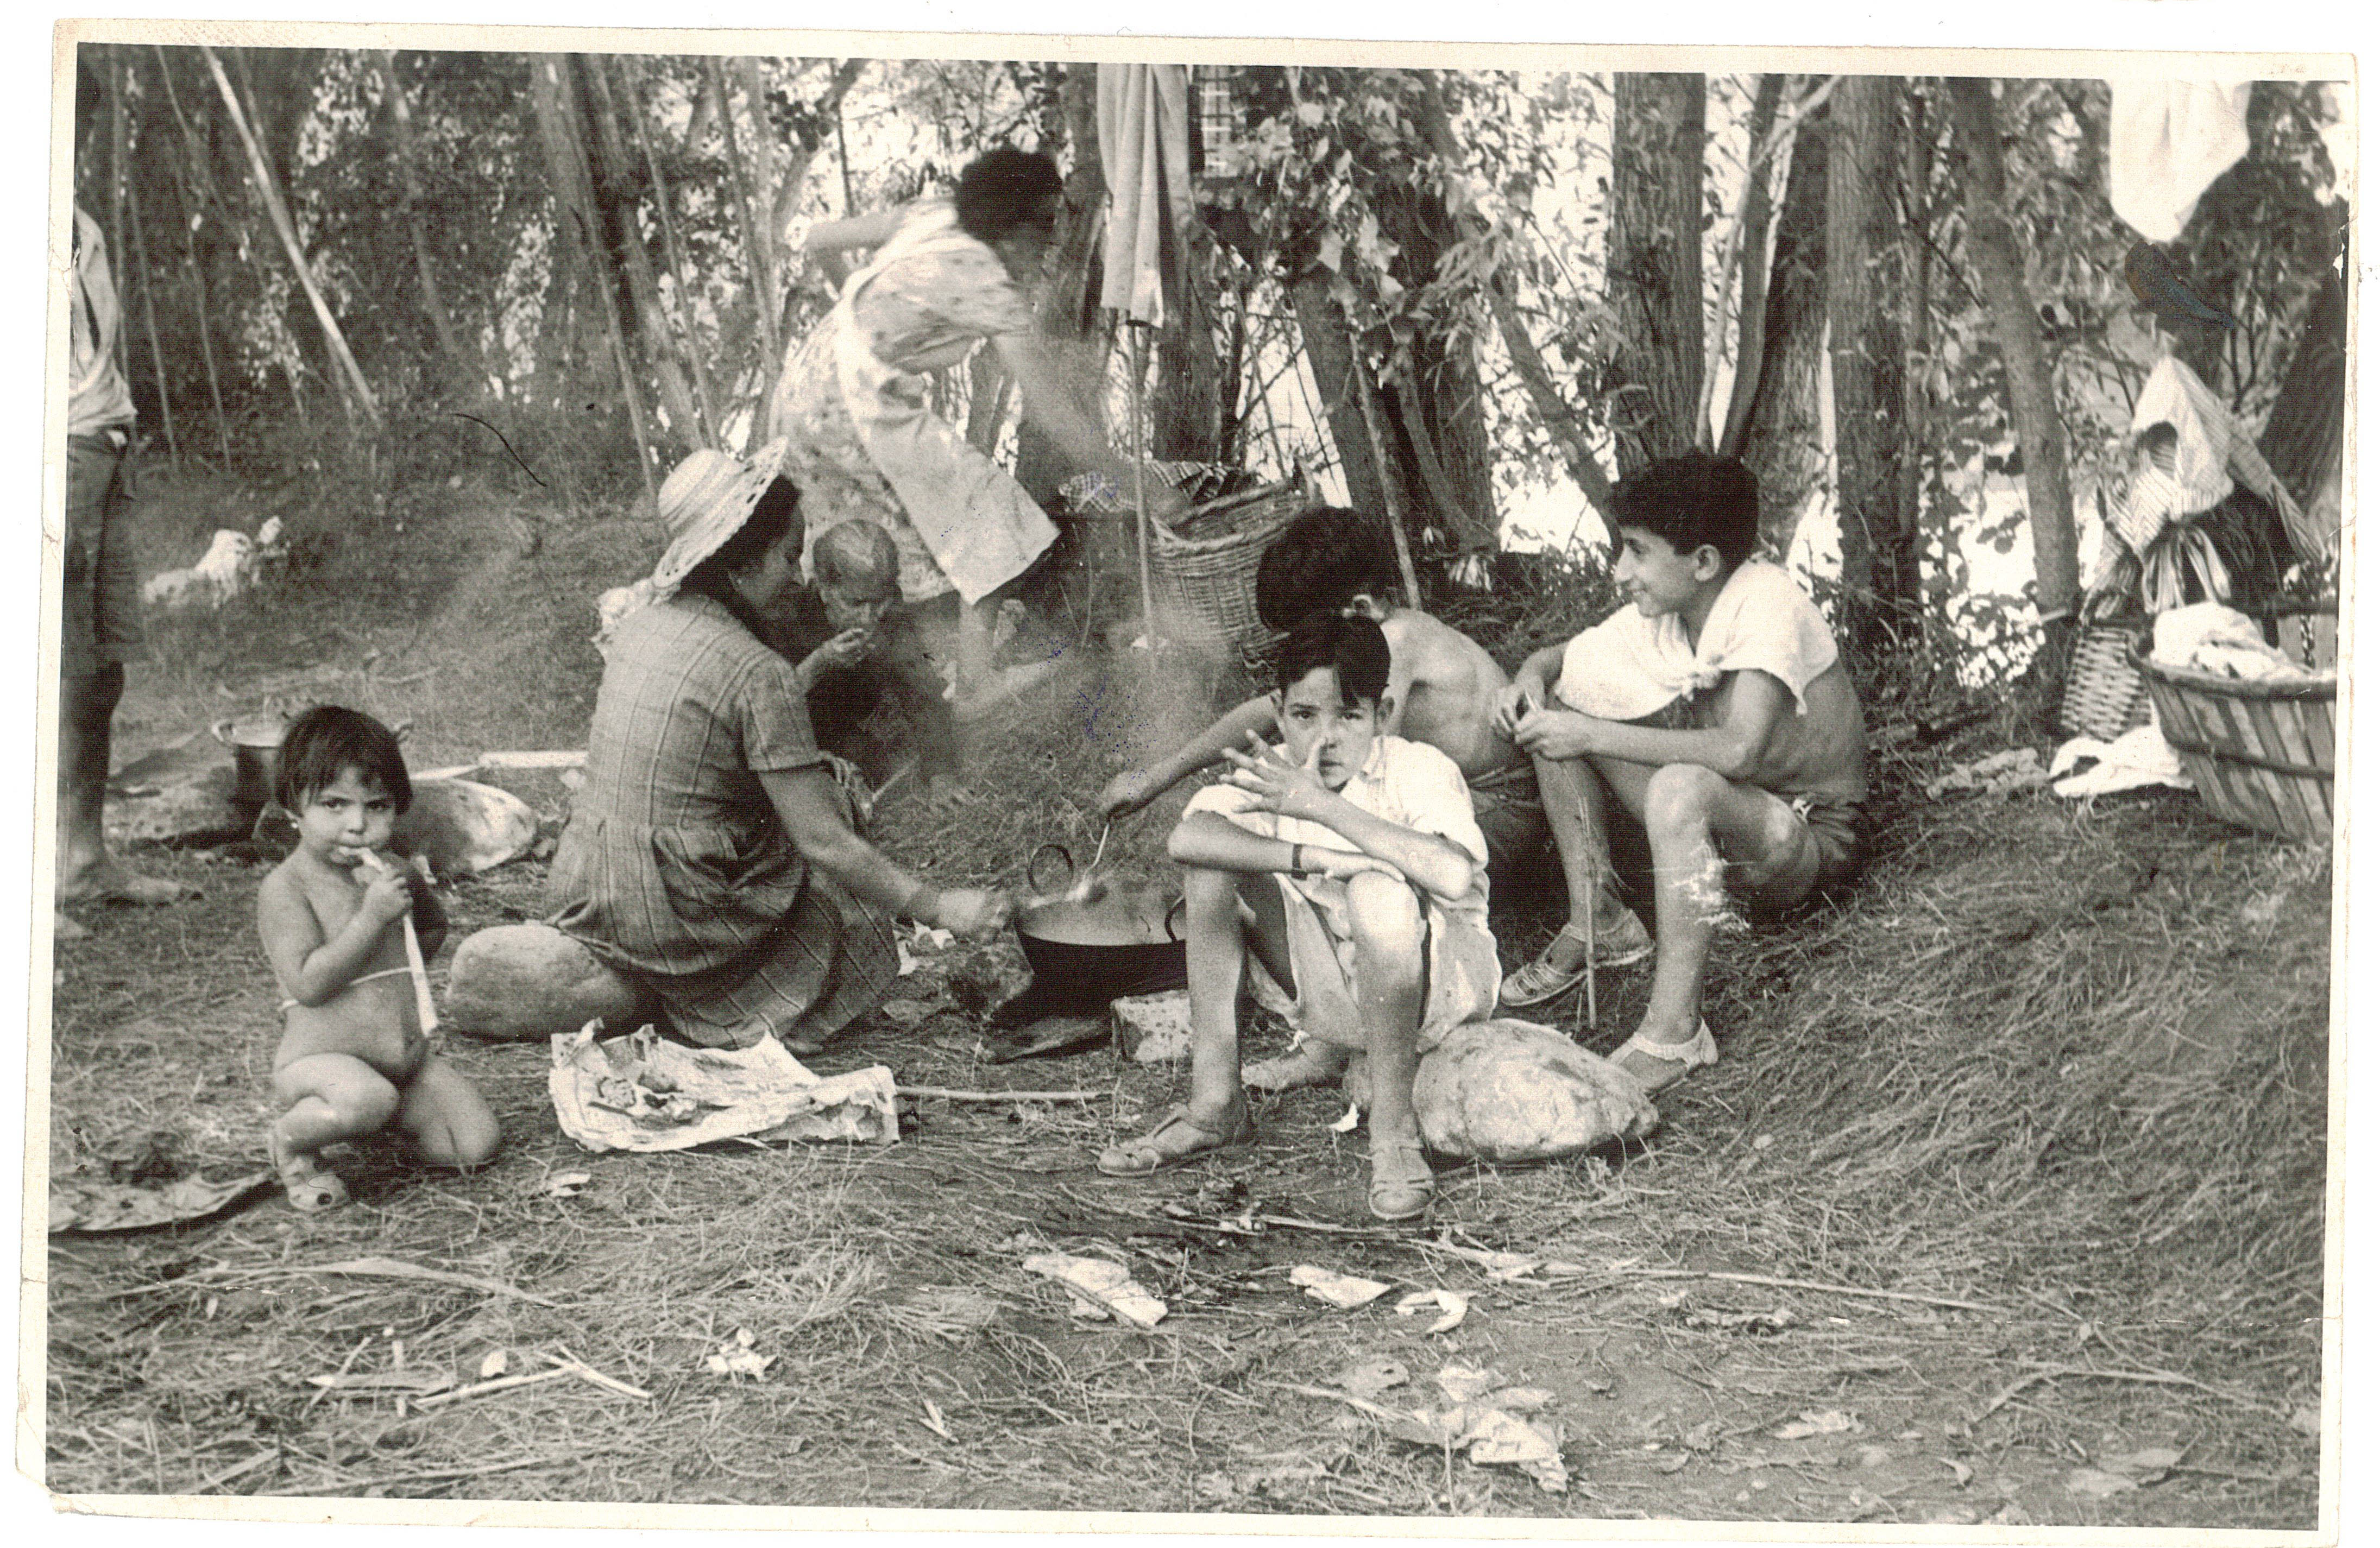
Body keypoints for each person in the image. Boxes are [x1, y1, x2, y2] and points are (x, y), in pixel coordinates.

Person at [550, 444, 1012, 1054]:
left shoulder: (641, 625)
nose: (796, 577)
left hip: (586, 887)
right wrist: (939, 906)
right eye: (788, 557)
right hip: (668, 915)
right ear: (740, 564)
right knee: (842, 892)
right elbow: (823, 842)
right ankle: (720, 1003)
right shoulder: (757, 669)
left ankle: (645, 981)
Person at [1095, 507, 1546, 1089]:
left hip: (1496, 810)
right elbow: (1270, 714)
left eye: (1309, 630)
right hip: (1432, 805)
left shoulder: (1394, 643)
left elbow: (1339, 759)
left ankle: (1351, 1034)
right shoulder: (1363, 646)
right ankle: (1337, 1027)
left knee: (1338, 830)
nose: (1303, 651)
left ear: (1356, 610)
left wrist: (1290, 812)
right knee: (1306, 835)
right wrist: (1156, 777)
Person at [1096, 614, 1501, 1222]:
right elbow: (1190, 837)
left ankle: (1393, 1134)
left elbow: (1449, 874)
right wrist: (1317, 856)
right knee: (1213, 867)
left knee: (1378, 891)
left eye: (1349, 716)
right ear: (1278, 713)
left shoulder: (1418, 769)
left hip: (1436, 994)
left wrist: (1321, 811)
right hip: (1339, 995)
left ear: (1383, 713)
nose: (1325, 740)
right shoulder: (1277, 769)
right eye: (1305, 717)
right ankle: (1215, 1106)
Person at [770, 146, 1188, 718]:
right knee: (988, 511)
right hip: (856, 402)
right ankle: (974, 686)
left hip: (808, 381)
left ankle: (920, 673)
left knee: (886, 530)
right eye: (1044, 225)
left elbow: (819, 237)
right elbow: (1049, 407)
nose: (1051, 241)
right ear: (1013, 231)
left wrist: (856, 306)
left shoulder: (931, 214)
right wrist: (1129, 478)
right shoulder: (987, 282)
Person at [1498, 453, 1869, 1092]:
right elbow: (1561, 659)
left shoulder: (1764, 601)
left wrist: (1590, 734)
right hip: (1735, 820)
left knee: (1670, 779)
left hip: (1801, 840)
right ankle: (1601, 920)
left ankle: (1675, 1035)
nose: (1621, 573)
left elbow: (1740, 753)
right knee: (1552, 715)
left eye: (1637, 553)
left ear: (1701, 562)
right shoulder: (1679, 609)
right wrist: (1528, 679)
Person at [56, 62, 198, 941]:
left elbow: (95, 356)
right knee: (43, 672)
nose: (66, 144)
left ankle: (83, 856)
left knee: (99, 672)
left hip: (106, 448)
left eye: (75, 129)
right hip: (53, 457)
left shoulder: (76, 227)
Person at [259, 707, 499, 1212]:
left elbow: (431, 927)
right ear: (293, 808)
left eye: (378, 806)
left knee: (471, 1146)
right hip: (320, 1062)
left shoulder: (393, 873)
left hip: (402, 1065)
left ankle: (376, 1121)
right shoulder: (286, 887)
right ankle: (293, 1142)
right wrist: (370, 920)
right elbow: (307, 983)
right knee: (367, 1099)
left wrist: (402, 977)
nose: (358, 825)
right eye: (334, 805)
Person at [764, 518, 962, 798]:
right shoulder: (789, 620)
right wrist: (819, 664)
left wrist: (941, 774)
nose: (870, 616)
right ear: (824, 589)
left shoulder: (887, 608)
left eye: (879, 601)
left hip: (855, 718)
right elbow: (768, 715)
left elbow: (920, 688)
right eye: (855, 603)